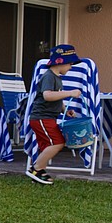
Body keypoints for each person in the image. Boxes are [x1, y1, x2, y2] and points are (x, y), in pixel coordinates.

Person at [26, 43, 83, 185]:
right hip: (41, 118)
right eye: (70, 63)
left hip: (48, 117)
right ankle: (35, 168)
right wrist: (70, 93)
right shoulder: (49, 76)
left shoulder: (57, 78)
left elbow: (57, 98)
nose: (71, 67)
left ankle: (39, 172)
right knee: (58, 142)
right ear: (61, 62)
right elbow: (47, 95)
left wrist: (65, 110)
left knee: (47, 145)